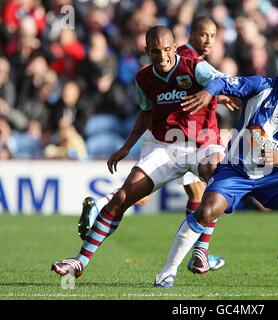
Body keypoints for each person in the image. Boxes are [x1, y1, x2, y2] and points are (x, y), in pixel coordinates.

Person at [51, 25, 227, 278]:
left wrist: (208, 93)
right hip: (164, 147)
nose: (163, 56)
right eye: (156, 52)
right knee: (123, 198)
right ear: (147, 51)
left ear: (175, 47)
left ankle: (201, 251)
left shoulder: (194, 66)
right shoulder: (144, 78)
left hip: (202, 143)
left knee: (215, 177)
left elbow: (223, 80)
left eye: (167, 50)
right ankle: (79, 262)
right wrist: (125, 147)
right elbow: (145, 113)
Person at [154, 57, 278, 288]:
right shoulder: (262, 86)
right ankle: (167, 272)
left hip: (273, 175)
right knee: (206, 211)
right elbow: (222, 82)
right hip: (235, 169)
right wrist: (207, 94)